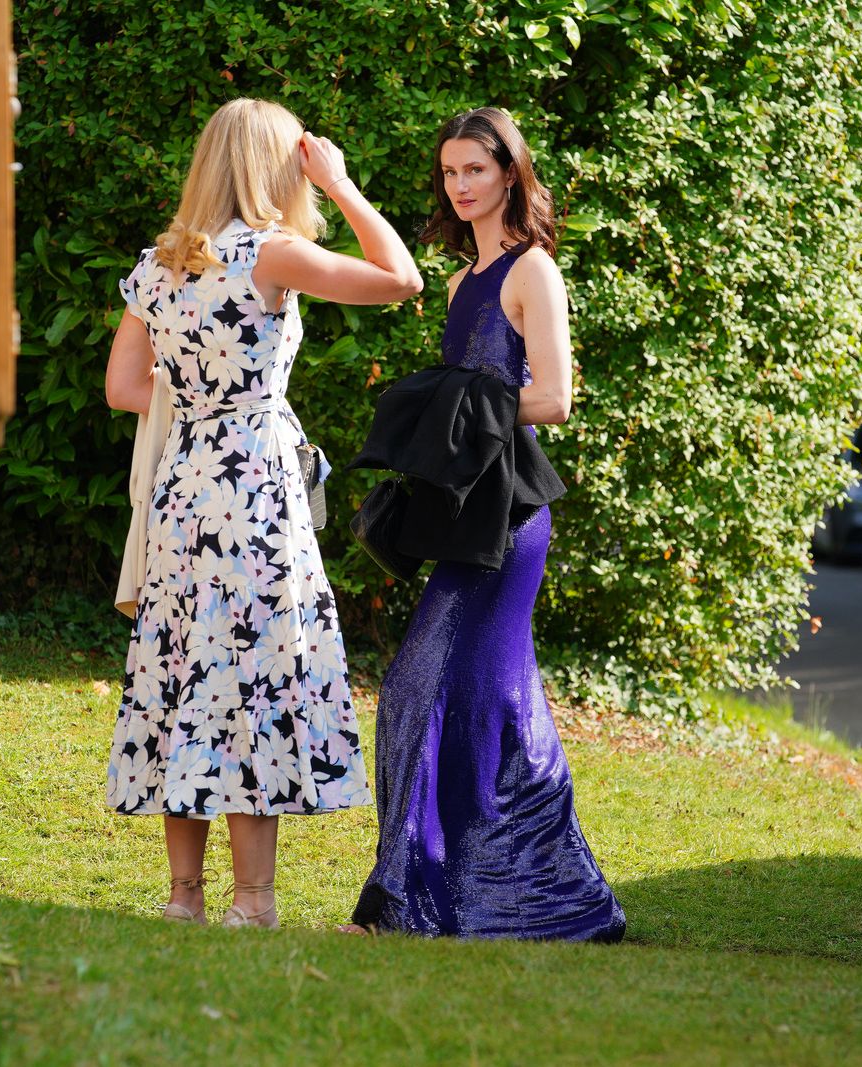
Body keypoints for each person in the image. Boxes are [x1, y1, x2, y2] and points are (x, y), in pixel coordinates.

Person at [102, 97, 422, 928]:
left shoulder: (158, 264)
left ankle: (184, 896)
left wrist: (197, 387)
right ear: (279, 168)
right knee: (251, 670)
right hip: (254, 486)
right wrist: (342, 185)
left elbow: (124, 387)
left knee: (184, 667)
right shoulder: (271, 253)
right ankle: (254, 901)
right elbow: (401, 278)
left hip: (184, 486)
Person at [342, 107, 626, 941]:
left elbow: (555, 397)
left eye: (475, 169)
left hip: (511, 518)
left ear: (509, 173)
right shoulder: (463, 280)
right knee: (476, 698)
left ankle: (408, 902)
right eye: (450, 171)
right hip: (466, 513)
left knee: (419, 687)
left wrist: (458, 404)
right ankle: (520, 895)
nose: (461, 185)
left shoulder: (533, 270)